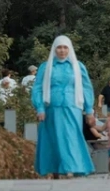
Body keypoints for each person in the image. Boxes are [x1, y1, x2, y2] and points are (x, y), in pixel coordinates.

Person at [31, 35, 96, 178]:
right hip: (51, 107)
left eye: (65, 47)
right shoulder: (46, 67)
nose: (62, 50)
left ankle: (70, 168)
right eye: (59, 47)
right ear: (54, 49)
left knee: (71, 137)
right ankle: (55, 170)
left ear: (69, 49)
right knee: (53, 139)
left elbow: (86, 88)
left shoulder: (77, 66)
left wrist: (89, 109)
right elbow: (38, 88)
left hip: (72, 106)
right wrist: (40, 107)